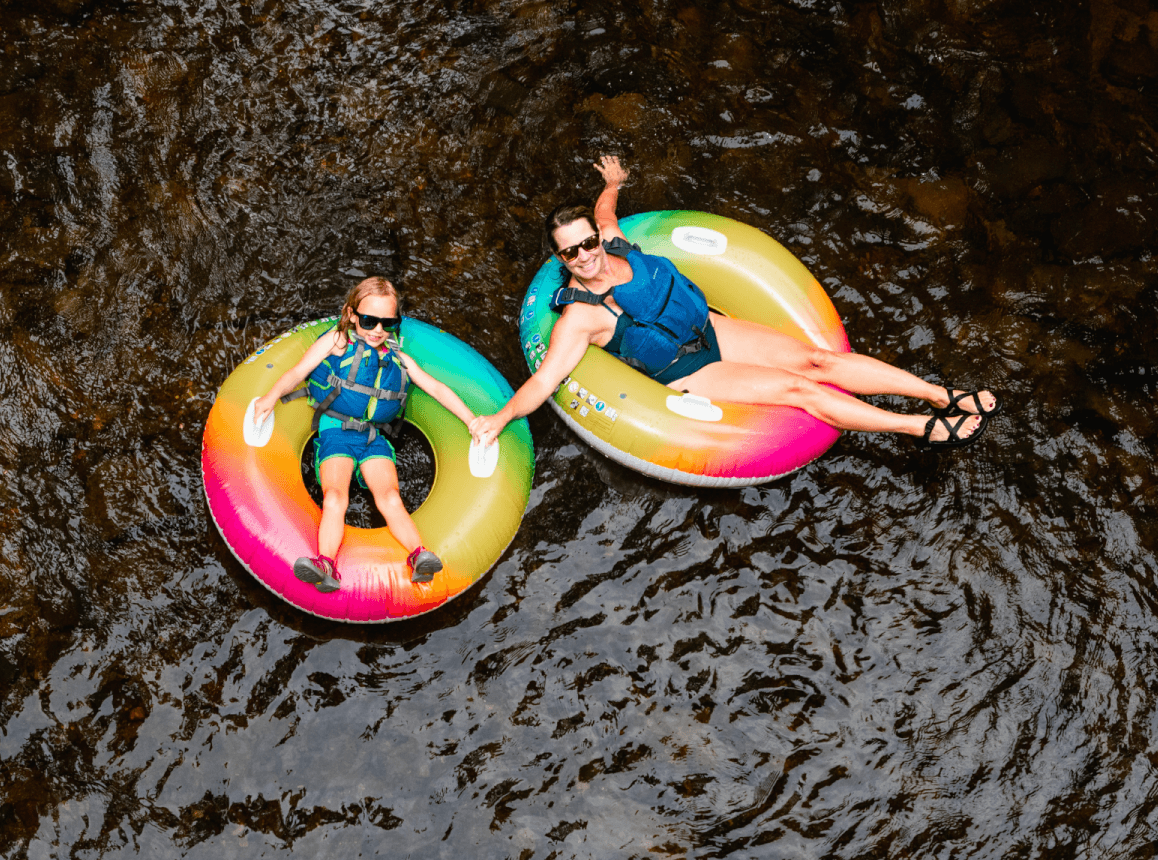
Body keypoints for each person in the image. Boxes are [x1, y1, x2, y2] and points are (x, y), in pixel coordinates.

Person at [470, 155, 1000, 450]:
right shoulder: (580, 317)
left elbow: (606, 210)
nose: (585, 255)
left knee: (823, 361)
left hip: (711, 327)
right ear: (561, 260)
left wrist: (612, 182)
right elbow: (544, 381)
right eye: (571, 252)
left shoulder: (612, 239)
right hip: (689, 368)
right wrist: (498, 418)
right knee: (801, 388)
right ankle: (918, 428)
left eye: (587, 242)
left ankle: (936, 394)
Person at [250, 277, 483, 593]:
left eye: (387, 323)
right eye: (370, 320)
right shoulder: (336, 342)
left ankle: (419, 556)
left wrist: (471, 420)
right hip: (336, 431)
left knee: (389, 496)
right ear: (351, 315)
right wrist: (270, 397)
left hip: (374, 438)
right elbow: (297, 372)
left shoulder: (397, 357)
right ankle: (325, 565)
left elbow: (437, 389)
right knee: (335, 496)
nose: (377, 330)